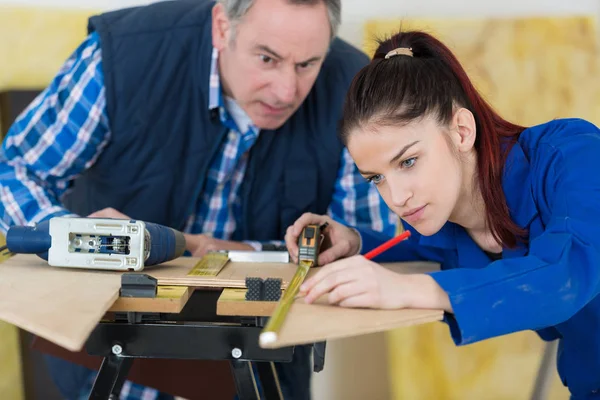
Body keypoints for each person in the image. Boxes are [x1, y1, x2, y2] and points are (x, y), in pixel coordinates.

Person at [0, 0, 398, 399]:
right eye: (267, 58)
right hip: (109, 367)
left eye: (307, 64)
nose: (286, 91)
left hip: (262, 375)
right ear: (222, 27)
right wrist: (76, 242)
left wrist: (217, 250)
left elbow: (366, 244)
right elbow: (15, 172)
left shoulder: (353, 87)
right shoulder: (121, 54)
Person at [284, 29, 600, 399]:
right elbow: (422, 250)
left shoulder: (574, 156)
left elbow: (567, 272)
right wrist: (352, 242)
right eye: (377, 179)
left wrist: (409, 289)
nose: (397, 198)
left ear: (462, 130)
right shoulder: (447, 222)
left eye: (409, 161)